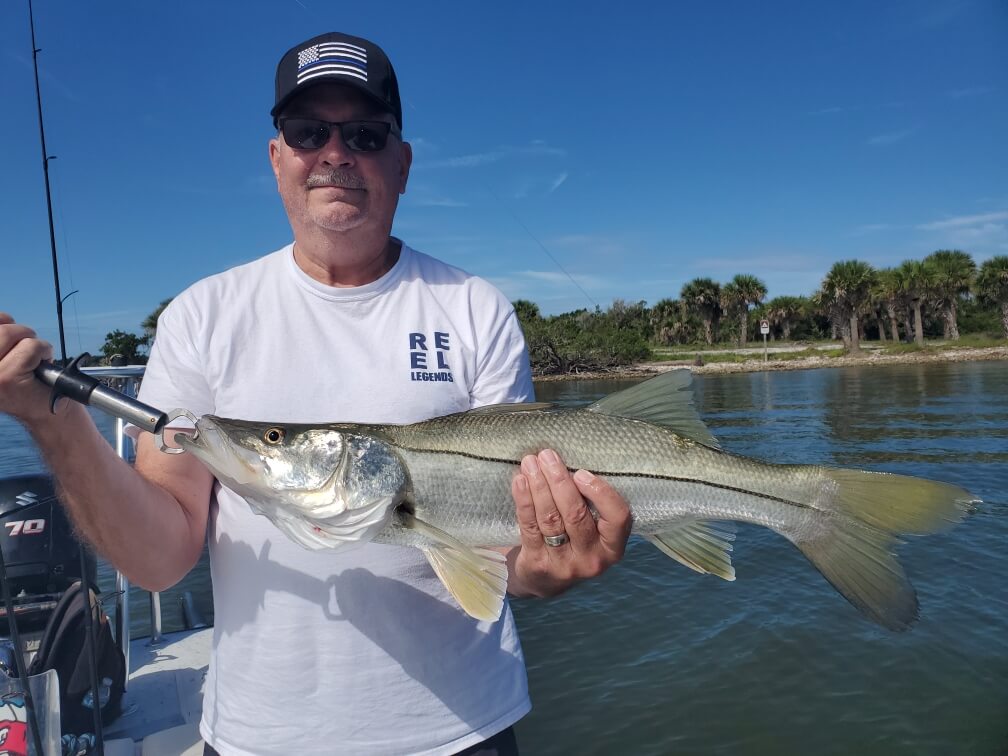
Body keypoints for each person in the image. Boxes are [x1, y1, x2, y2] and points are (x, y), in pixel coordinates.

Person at [0, 32, 632, 755]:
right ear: (277, 158)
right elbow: (158, 560)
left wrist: (543, 569)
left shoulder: (475, 308)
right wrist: (52, 422)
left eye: (365, 135)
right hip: (260, 736)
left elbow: (506, 552)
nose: (335, 153)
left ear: (402, 163)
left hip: (466, 731)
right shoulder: (202, 316)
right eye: (308, 132)